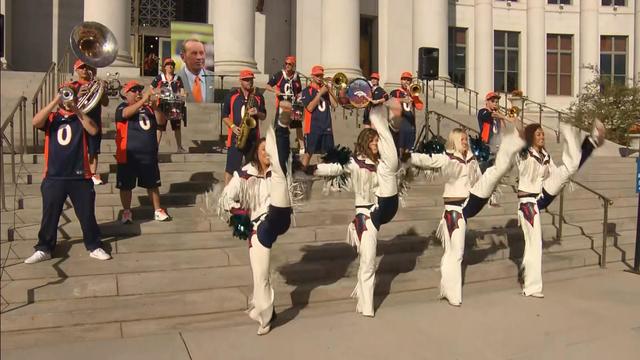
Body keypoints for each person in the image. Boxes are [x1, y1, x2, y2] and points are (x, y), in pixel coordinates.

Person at [409, 120, 525, 306]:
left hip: (470, 200)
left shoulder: (471, 159)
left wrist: (490, 196)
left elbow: (480, 180)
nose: (465, 141)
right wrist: (408, 156)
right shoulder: (447, 158)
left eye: (466, 139)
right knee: (454, 253)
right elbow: (426, 160)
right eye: (462, 139)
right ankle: (450, 291)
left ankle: (513, 142)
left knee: (493, 172)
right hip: (454, 210)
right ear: (454, 140)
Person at [302, 102, 400, 317]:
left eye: (377, 140)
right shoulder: (354, 163)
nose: (376, 144)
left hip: (379, 209)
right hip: (364, 217)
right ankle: (366, 306)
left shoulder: (382, 164)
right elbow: (335, 168)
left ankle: (365, 301)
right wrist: (309, 169)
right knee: (368, 261)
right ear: (366, 143)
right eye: (373, 141)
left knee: (368, 262)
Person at [516, 120, 605, 298]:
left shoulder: (545, 156)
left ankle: (589, 141)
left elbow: (556, 173)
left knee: (569, 169)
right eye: (538, 134)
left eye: (542, 133)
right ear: (530, 137)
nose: (542, 136)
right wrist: (515, 124)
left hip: (541, 194)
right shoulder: (525, 154)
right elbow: (520, 141)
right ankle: (530, 286)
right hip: (528, 203)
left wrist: (563, 176)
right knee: (534, 245)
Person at [219, 123, 293, 335]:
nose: (267, 154)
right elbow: (225, 198)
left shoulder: (278, 173)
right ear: (257, 154)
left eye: (270, 151)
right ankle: (268, 314)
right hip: (258, 228)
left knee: (276, 213)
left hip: (278, 217)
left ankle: (282, 127)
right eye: (264, 151)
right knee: (260, 275)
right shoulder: (244, 174)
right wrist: (238, 214)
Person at [24, 83, 111, 264]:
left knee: (87, 214)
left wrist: (76, 108)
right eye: (65, 93)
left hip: (80, 175)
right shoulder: (52, 118)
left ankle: (94, 246)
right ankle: (44, 248)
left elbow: (94, 130)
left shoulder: (81, 117)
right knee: (50, 215)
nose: (67, 97)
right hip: (54, 175)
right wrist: (57, 99)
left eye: (70, 93)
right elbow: (35, 121)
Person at [115, 80, 171, 223]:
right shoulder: (122, 106)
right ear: (126, 94)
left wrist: (156, 108)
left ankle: (157, 210)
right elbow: (126, 114)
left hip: (148, 154)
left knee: (153, 184)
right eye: (134, 90)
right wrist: (144, 99)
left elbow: (161, 122)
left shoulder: (148, 108)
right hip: (128, 153)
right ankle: (127, 211)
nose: (138, 92)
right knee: (126, 185)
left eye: (140, 90)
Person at [222, 69, 267, 185]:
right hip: (236, 137)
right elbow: (224, 116)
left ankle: (251, 193)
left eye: (251, 79)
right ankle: (226, 195)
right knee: (230, 169)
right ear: (240, 81)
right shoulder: (232, 95)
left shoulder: (258, 96)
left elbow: (264, 116)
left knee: (253, 168)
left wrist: (257, 112)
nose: (249, 82)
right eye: (246, 80)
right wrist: (232, 126)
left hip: (253, 139)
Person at [71, 59, 109, 185]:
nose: (85, 70)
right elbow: (66, 105)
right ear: (76, 70)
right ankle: (79, 171)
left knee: (93, 149)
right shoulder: (73, 85)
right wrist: (78, 95)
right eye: (81, 67)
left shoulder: (96, 84)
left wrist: (103, 91)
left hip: (94, 120)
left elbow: (105, 103)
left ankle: (92, 174)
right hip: (79, 121)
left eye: (86, 67)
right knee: (79, 148)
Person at [300, 65, 337, 168]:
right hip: (313, 127)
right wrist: (320, 93)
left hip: (326, 126)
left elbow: (334, 104)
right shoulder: (307, 91)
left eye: (321, 75)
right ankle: (301, 173)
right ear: (312, 76)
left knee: (328, 155)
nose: (319, 77)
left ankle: (326, 177)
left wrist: (329, 91)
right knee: (308, 154)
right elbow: (310, 108)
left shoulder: (325, 90)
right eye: (317, 75)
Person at [266, 55, 304, 152]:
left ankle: (302, 147)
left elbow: (299, 90)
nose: (287, 66)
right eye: (286, 64)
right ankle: (276, 146)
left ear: (293, 65)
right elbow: (267, 86)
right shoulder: (280, 74)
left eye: (290, 64)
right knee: (279, 127)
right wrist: (275, 91)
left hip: (294, 105)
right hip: (282, 105)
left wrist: (299, 96)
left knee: (298, 126)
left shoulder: (296, 76)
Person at [152, 57, 187, 153]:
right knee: (159, 127)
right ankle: (155, 148)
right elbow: (151, 89)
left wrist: (183, 95)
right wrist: (157, 93)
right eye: (168, 65)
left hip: (174, 105)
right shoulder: (159, 78)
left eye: (172, 65)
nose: (170, 66)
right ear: (165, 67)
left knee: (177, 127)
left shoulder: (178, 78)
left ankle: (179, 147)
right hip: (162, 105)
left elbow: (182, 91)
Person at [389, 71, 424, 155]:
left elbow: (420, 107)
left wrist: (414, 95)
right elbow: (390, 102)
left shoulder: (413, 93)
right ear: (401, 81)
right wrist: (402, 100)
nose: (406, 82)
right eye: (404, 79)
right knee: (399, 147)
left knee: (409, 148)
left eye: (408, 80)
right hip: (399, 122)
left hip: (410, 123)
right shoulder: (396, 92)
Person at [177, 38, 215, 103]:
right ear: (183, 57)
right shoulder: (174, 79)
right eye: (194, 53)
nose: (199, 57)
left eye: (201, 53)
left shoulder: (216, 78)